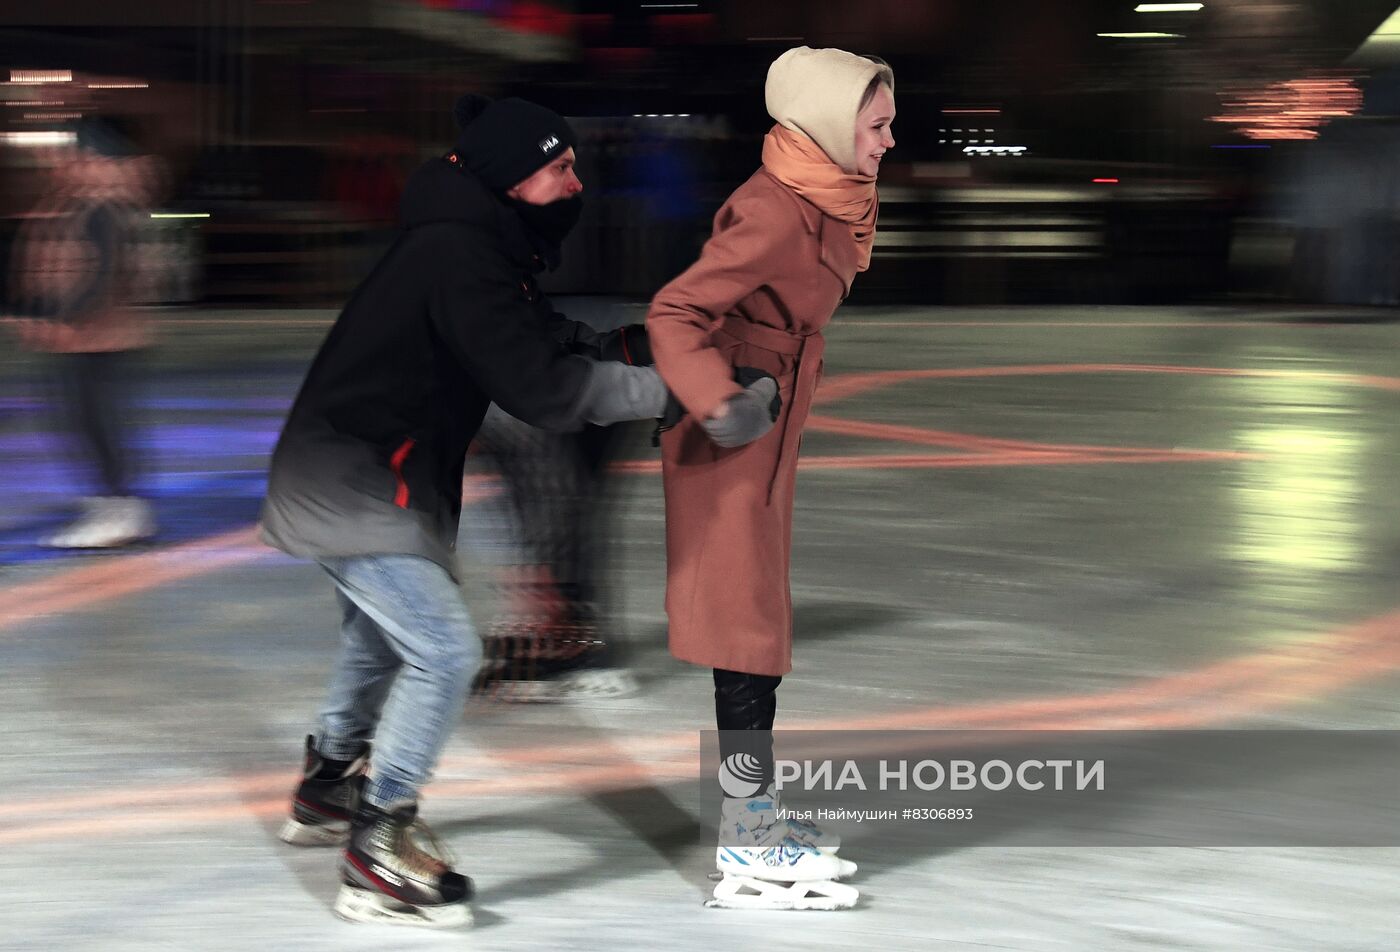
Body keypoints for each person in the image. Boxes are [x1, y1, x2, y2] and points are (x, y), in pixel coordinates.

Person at [260, 94, 669, 929]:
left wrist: (645, 346)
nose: (574, 182)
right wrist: (678, 389)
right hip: (349, 482)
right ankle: (380, 846)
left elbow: (549, 339)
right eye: (560, 168)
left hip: (363, 474)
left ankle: (328, 784)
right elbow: (543, 391)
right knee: (444, 650)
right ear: (513, 177)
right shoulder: (459, 253)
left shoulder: (477, 245)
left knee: (380, 639)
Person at [645, 47, 896, 910]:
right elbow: (675, 310)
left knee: (757, 633)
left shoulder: (828, 192)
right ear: (829, 124)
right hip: (734, 428)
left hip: (771, 413)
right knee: (743, 638)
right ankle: (748, 842)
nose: (889, 140)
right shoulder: (773, 208)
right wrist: (720, 401)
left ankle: (754, 823)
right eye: (877, 125)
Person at [3, 119, 159, 548]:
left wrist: (64, 320)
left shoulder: (104, 208)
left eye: (75, 156)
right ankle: (115, 508)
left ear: (92, 160)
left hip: (96, 337)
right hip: (92, 336)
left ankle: (118, 509)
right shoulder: (92, 204)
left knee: (93, 423)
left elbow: (100, 274)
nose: (65, 165)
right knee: (83, 422)